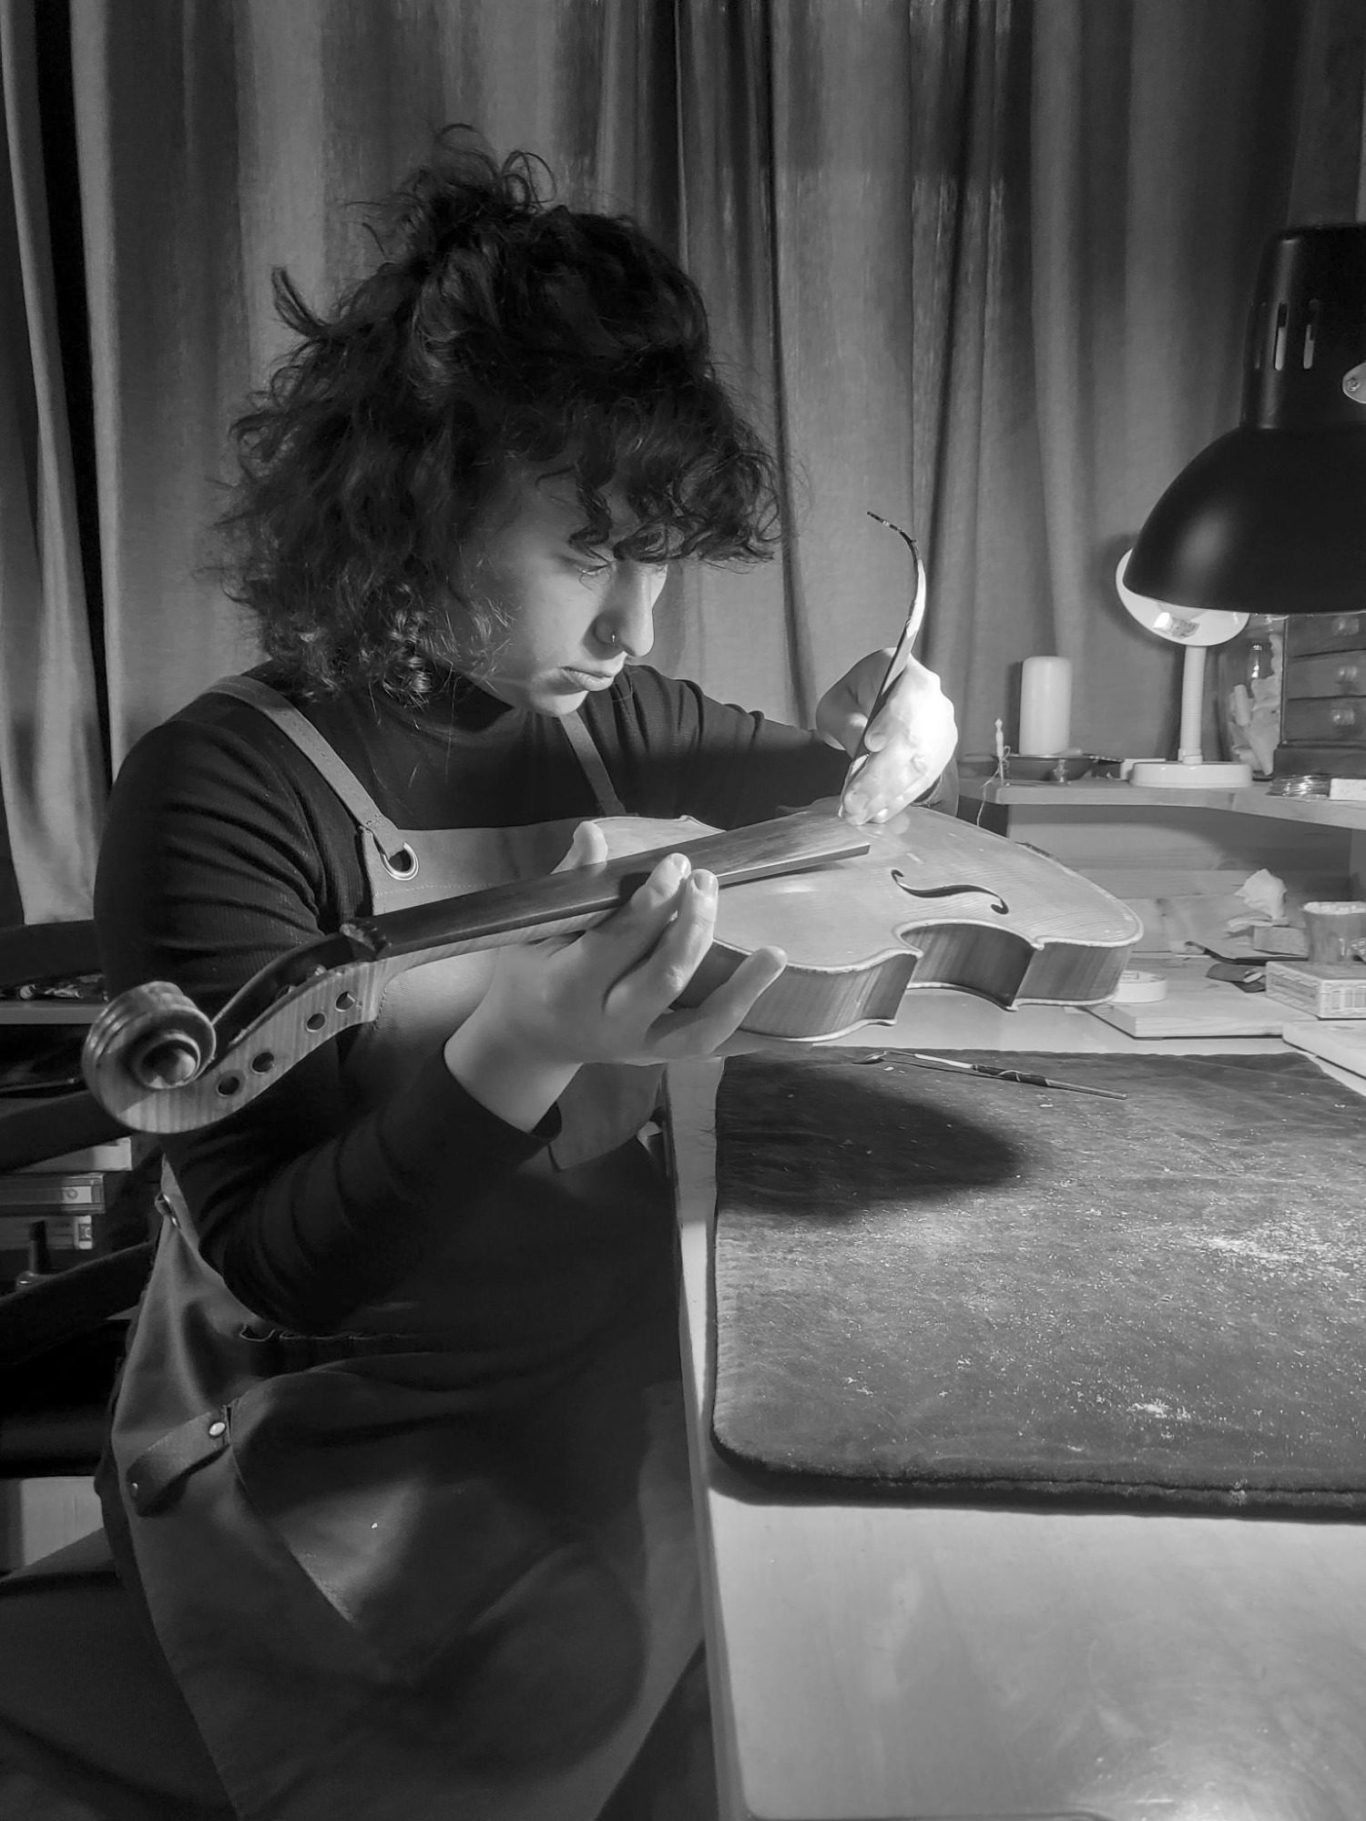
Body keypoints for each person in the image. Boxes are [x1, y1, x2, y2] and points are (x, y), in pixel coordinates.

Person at [92, 129, 958, 1821]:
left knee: (852, 1662)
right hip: (334, 1458)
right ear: (414, 508)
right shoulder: (219, 786)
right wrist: (522, 1046)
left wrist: (899, 729)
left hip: (610, 1382)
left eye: (658, 558)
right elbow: (280, 1266)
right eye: (587, 553)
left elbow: (839, 795)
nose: (639, 628)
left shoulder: (605, 719)